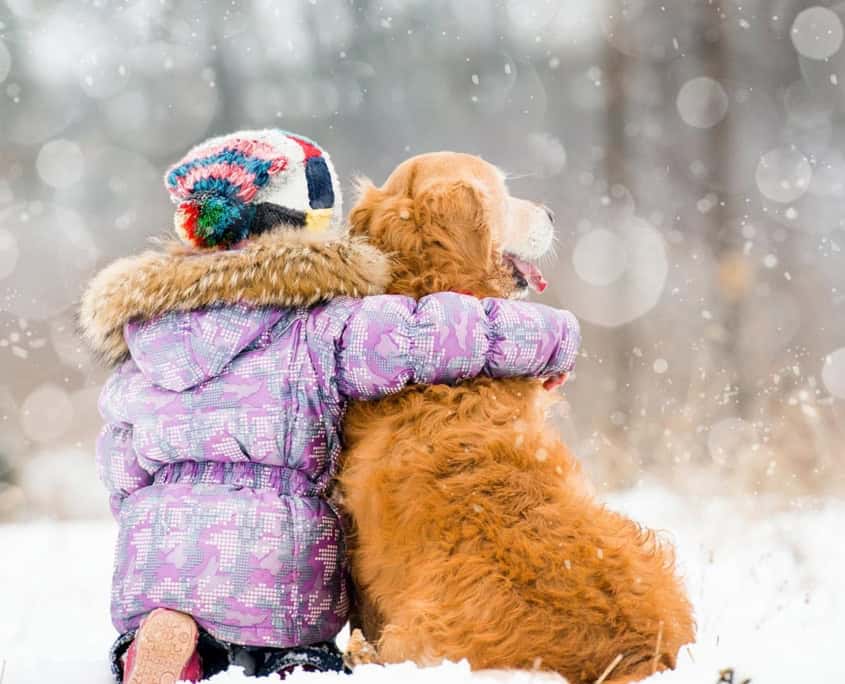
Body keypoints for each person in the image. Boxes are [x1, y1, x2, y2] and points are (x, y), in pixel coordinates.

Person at [79, 130, 581, 682]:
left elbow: (120, 462)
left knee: (177, 615)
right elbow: (431, 335)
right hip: (280, 556)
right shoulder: (322, 323)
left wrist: (151, 519)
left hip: (157, 552)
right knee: (301, 648)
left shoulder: (148, 338)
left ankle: (169, 642)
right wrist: (552, 339)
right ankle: (296, 663)